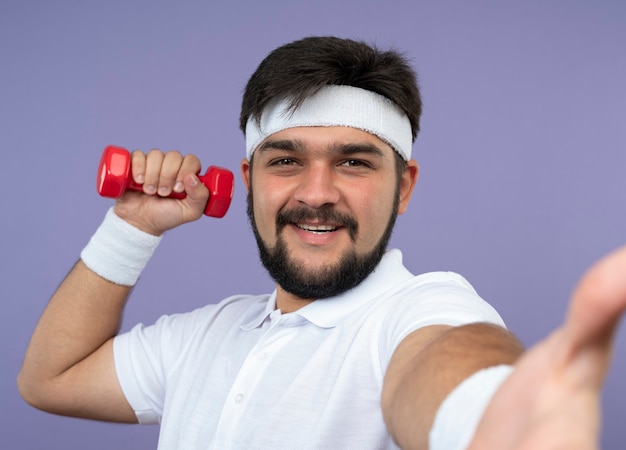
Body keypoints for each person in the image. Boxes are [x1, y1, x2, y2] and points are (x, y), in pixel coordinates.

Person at [17, 36, 626, 449]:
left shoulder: (418, 313)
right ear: (250, 180)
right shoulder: (204, 336)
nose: (317, 193)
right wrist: (132, 227)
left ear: (403, 186)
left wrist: (486, 415)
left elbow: (440, 360)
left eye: (354, 162)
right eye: (285, 160)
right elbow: (51, 379)